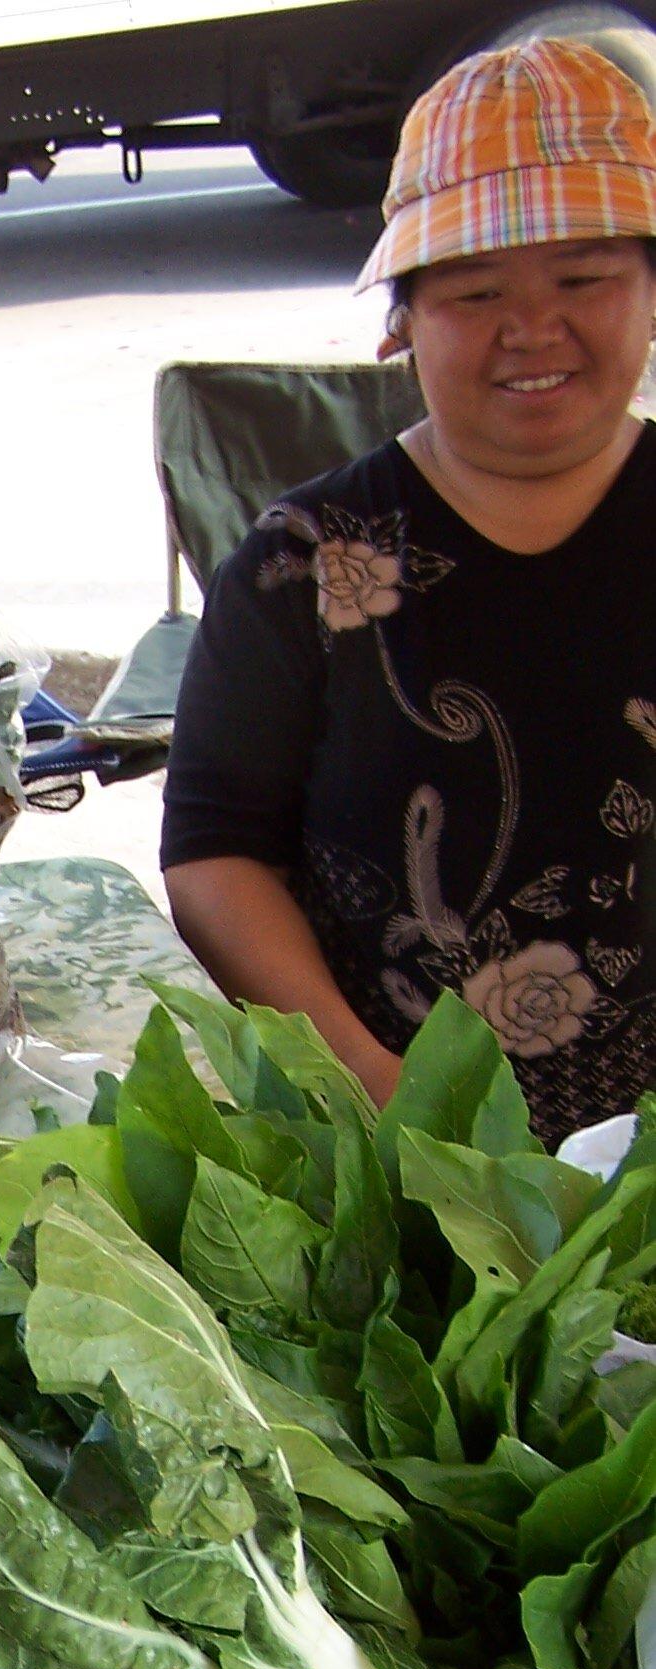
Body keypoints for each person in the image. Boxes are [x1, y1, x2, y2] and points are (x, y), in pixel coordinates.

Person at [160, 37, 656, 1144]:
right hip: (392, 1139)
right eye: (477, 291)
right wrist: (373, 1083)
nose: (533, 328)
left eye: (583, 278)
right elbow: (213, 850)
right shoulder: (305, 561)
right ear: (404, 319)